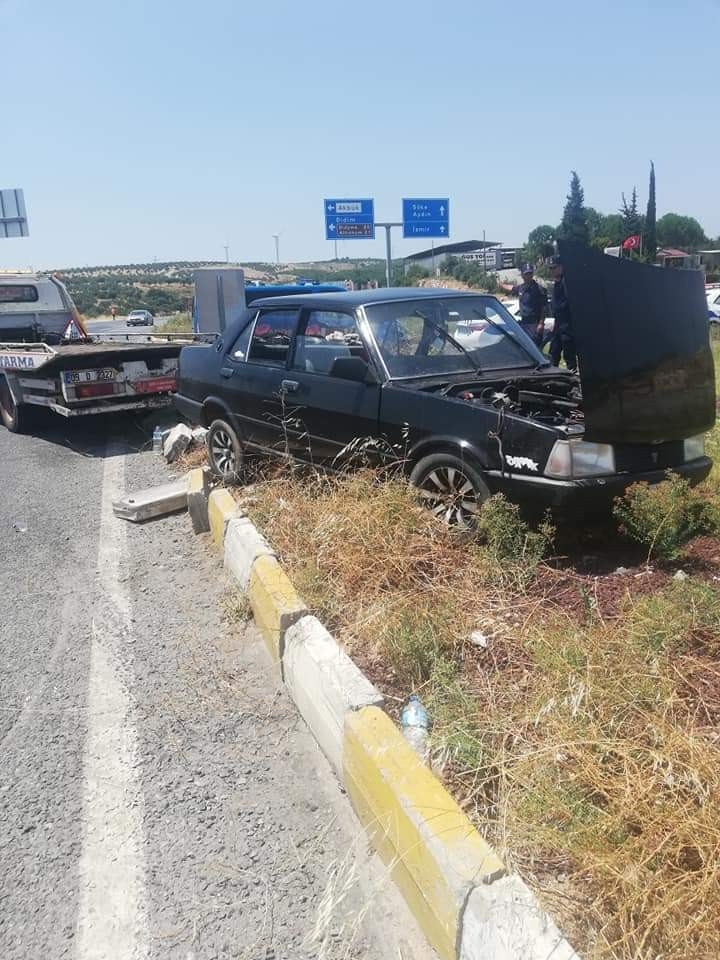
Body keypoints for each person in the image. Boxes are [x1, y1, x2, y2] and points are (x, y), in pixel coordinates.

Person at [499, 263, 546, 344]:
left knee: (534, 346)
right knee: (524, 346)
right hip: (524, 322)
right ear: (522, 275)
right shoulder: (522, 288)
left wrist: (541, 323)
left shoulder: (539, 289)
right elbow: (511, 288)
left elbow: (544, 307)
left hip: (534, 323)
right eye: (526, 274)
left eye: (530, 273)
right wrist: (500, 284)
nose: (528, 276)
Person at [548, 255, 577, 372]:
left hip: (567, 326)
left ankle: (573, 377)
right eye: (550, 268)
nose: (552, 270)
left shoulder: (566, 282)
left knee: (569, 355)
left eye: (554, 267)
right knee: (553, 353)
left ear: (561, 267)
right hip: (558, 325)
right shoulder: (557, 283)